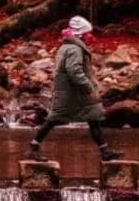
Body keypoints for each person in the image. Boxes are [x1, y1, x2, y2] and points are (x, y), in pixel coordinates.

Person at [28, 15, 123, 161]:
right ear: (81, 35)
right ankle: (33, 148)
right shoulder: (74, 49)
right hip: (72, 93)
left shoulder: (68, 46)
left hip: (71, 91)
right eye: (88, 33)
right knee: (53, 119)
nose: (90, 36)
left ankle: (105, 151)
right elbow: (74, 71)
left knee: (94, 117)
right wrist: (88, 87)